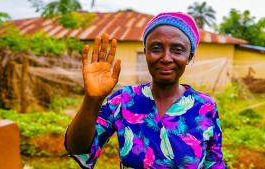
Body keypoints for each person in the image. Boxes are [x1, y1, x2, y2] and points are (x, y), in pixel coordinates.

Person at [65, 12, 226, 169]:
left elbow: (215, 163)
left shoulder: (205, 107)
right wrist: (92, 100)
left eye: (177, 50)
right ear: (146, 52)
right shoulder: (125, 100)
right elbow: (77, 148)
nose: (166, 58)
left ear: (189, 57)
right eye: (156, 48)